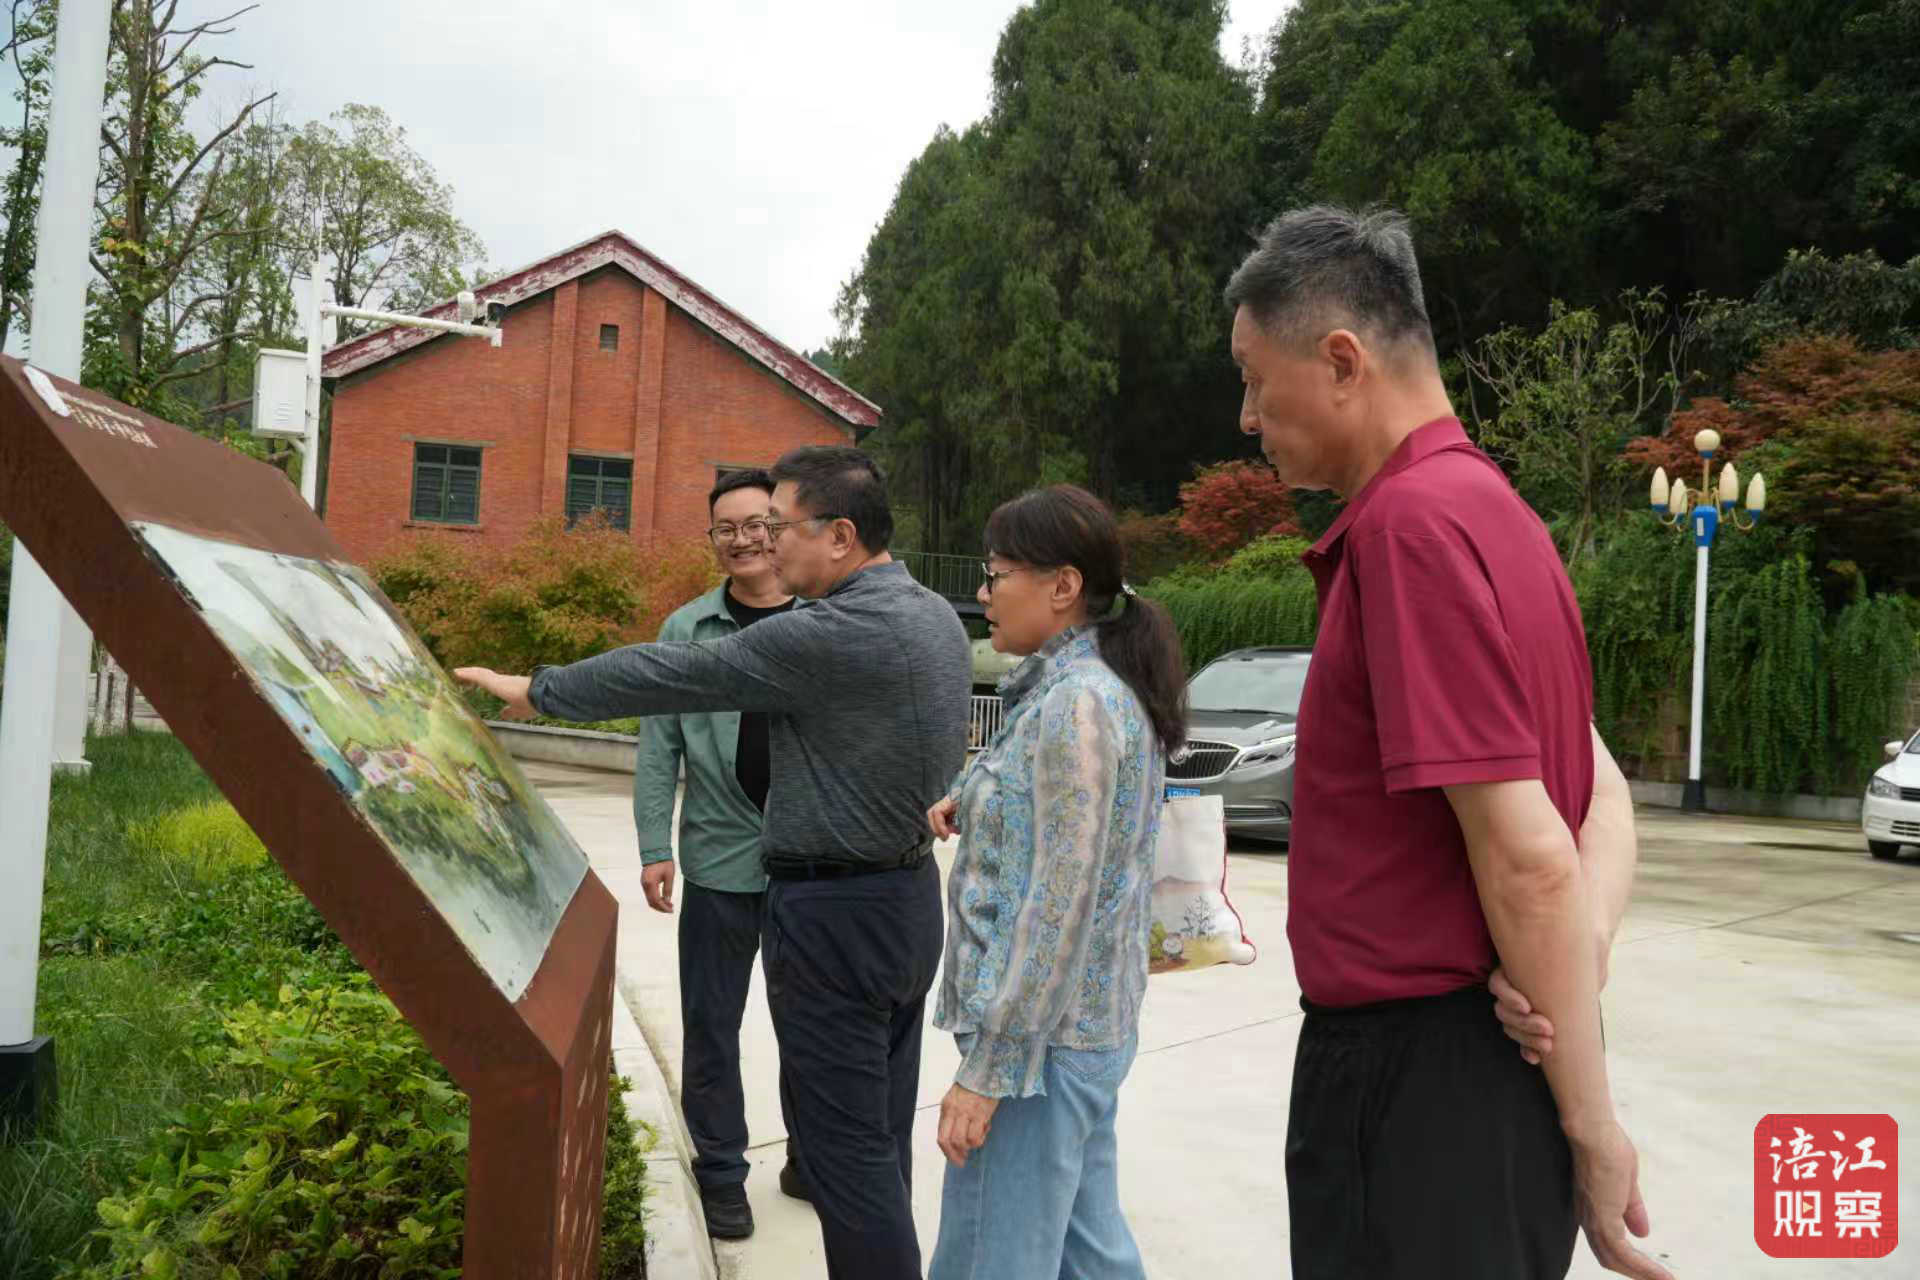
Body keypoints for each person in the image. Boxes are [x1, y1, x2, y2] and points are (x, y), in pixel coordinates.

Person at [1224, 205, 1667, 1280]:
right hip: (1482, 1076)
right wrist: (1582, 951)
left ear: (1342, 361)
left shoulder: (1409, 528)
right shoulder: (1499, 514)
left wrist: (1596, 1126)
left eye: (1253, 379)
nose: (1247, 418)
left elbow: (1528, 853)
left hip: (1417, 1092)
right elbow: (1600, 788)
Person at [455, 446, 969, 1280]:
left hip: (835, 917)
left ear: (840, 536)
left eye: (782, 525)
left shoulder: (831, 633)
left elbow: (676, 674)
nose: (767, 541)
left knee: (846, 1158)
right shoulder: (933, 615)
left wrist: (538, 689)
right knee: (875, 1134)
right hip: (906, 902)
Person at [923, 485, 1185, 1280]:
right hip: (1080, 1033)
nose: (983, 593)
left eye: (996, 573)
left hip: (1039, 1051)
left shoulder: (1076, 704)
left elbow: (1057, 905)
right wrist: (972, 797)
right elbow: (1064, 826)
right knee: (1089, 1254)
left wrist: (990, 1070)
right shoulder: (1089, 688)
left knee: (989, 1259)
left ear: (1063, 585)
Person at [632, 466, 797, 1240]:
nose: (743, 540)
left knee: (814, 1025)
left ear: (782, 528)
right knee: (711, 1023)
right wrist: (653, 844)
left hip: (811, 864)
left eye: (758, 524)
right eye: (726, 528)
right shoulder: (687, 631)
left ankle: (811, 1157)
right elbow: (658, 744)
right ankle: (723, 1172)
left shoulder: (825, 618)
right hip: (719, 862)